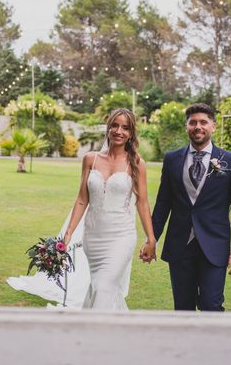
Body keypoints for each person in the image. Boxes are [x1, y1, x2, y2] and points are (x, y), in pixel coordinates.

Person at [140, 103, 231, 311]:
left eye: (203, 122)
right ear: (186, 127)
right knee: (183, 308)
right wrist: (151, 239)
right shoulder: (172, 159)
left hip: (215, 245)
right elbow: (163, 203)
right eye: (193, 122)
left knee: (212, 305)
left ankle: (212, 344)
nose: (198, 127)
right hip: (180, 245)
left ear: (213, 127)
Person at [63, 108, 156, 310]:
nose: (119, 131)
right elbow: (81, 199)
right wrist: (68, 233)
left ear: (131, 133)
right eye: (115, 125)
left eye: (125, 128)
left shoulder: (137, 163)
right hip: (93, 237)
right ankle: (116, 331)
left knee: (104, 286)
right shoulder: (90, 159)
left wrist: (151, 238)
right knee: (100, 287)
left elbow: (143, 203)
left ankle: (95, 335)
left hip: (120, 237)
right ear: (108, 127)